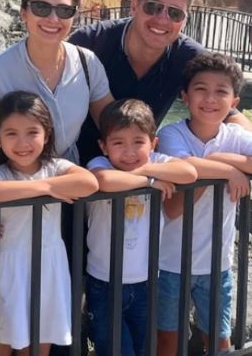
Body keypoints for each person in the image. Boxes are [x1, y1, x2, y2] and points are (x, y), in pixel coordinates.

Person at [155, 53, 252, 355]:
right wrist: (229, 170)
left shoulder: (234, 136)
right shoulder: (171, 134)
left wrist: (222, 158)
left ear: (234, 101)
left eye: (221, 91)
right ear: (184, 96)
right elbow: (185, 171)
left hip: (216, 264)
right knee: (168, 341)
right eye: (201, 89)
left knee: (219, 341)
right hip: (169, 263)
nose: (210, 99)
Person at [0, 0, 114, 240]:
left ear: (74, 16)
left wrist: (151, 165)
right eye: (41, 7)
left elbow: (114, 126)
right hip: (9, 203)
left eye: (64, 10)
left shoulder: (87, 63)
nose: (53, 19)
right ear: (24, 12)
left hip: (69, 195)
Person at [0, 91, 99, 355]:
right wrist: (48, 188)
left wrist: (42, 184)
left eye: (32, 132)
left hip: (45, 271)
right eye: (11, 133)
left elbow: (89, 183)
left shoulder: (56, 167)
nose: (22, 142)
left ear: (46, 134)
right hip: (1, 271)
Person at [69, 0, 252, 164]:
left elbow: (226, 110)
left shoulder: (189, 58)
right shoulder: (90, 42)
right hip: (75, 167)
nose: (162, 19)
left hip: (139, 168)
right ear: (134, 6)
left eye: (175, 13)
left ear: (184, 20)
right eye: (153, 7)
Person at [84, 99, 198, 356]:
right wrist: (149, 181)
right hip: (105, 282)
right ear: (103, 146)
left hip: (146, 280)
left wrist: (147, 169)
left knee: (144, 347)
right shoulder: (100, 164)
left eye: (138, 142)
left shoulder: (156, 161)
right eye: (118, 143)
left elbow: (189, 172)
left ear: (153, 143)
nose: (129, 152)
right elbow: (105, 181)